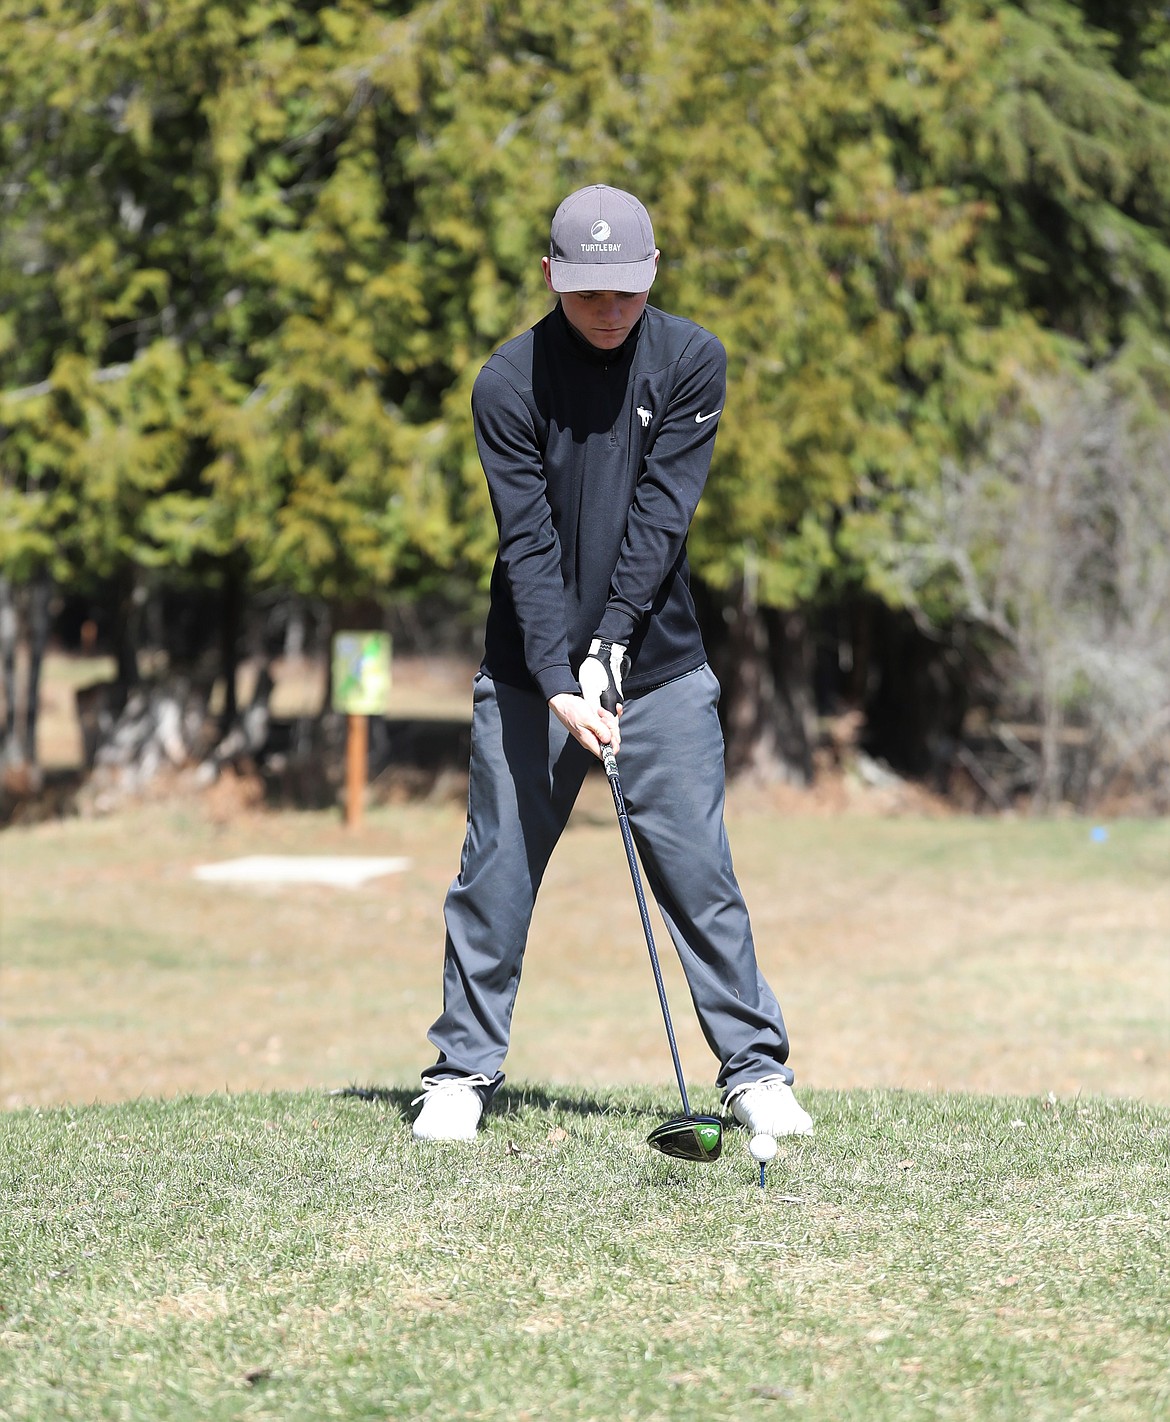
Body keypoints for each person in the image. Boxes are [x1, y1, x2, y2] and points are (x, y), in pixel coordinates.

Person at [411, 184, 812, 1143]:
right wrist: (557, 677)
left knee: (699, 874)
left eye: (625, 290)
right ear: (552, 275)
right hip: (527, 670)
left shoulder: (691, 362)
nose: (607, 309)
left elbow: (660, 519)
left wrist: (612, 649)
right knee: (496, 872)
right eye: (587, 289)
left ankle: (755, 1071)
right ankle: (461, 1073)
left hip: (660, 667)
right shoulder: (507, 382)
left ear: (653, 273)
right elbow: (529, 543)